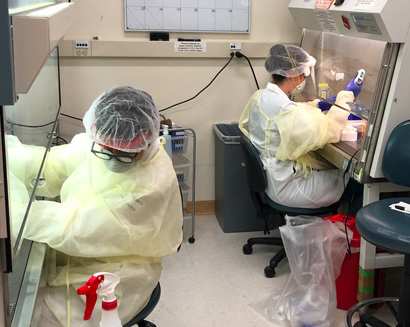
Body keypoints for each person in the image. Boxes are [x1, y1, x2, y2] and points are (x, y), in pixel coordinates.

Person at [23, 86, 183, 326]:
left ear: (144, 141)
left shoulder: (150, 185)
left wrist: (16, 215)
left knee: (37, 315)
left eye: (125, 153)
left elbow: (77, 228)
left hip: (120, 273)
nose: (113, 156)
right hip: (82, 251)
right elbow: (55, 164)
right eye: (106, 149)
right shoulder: (98, 140)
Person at [239, 44, 356, 209]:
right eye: (304, 74)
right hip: (289, 186)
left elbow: (295, 110)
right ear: (292, 74)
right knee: (355, 184)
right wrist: (345, 99)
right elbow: (330, 130)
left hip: (275, 177)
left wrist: (318, 104)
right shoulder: (284, 109)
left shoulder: (261, 96)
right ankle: (347, 233)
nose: (304, 78)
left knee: (339, 176)